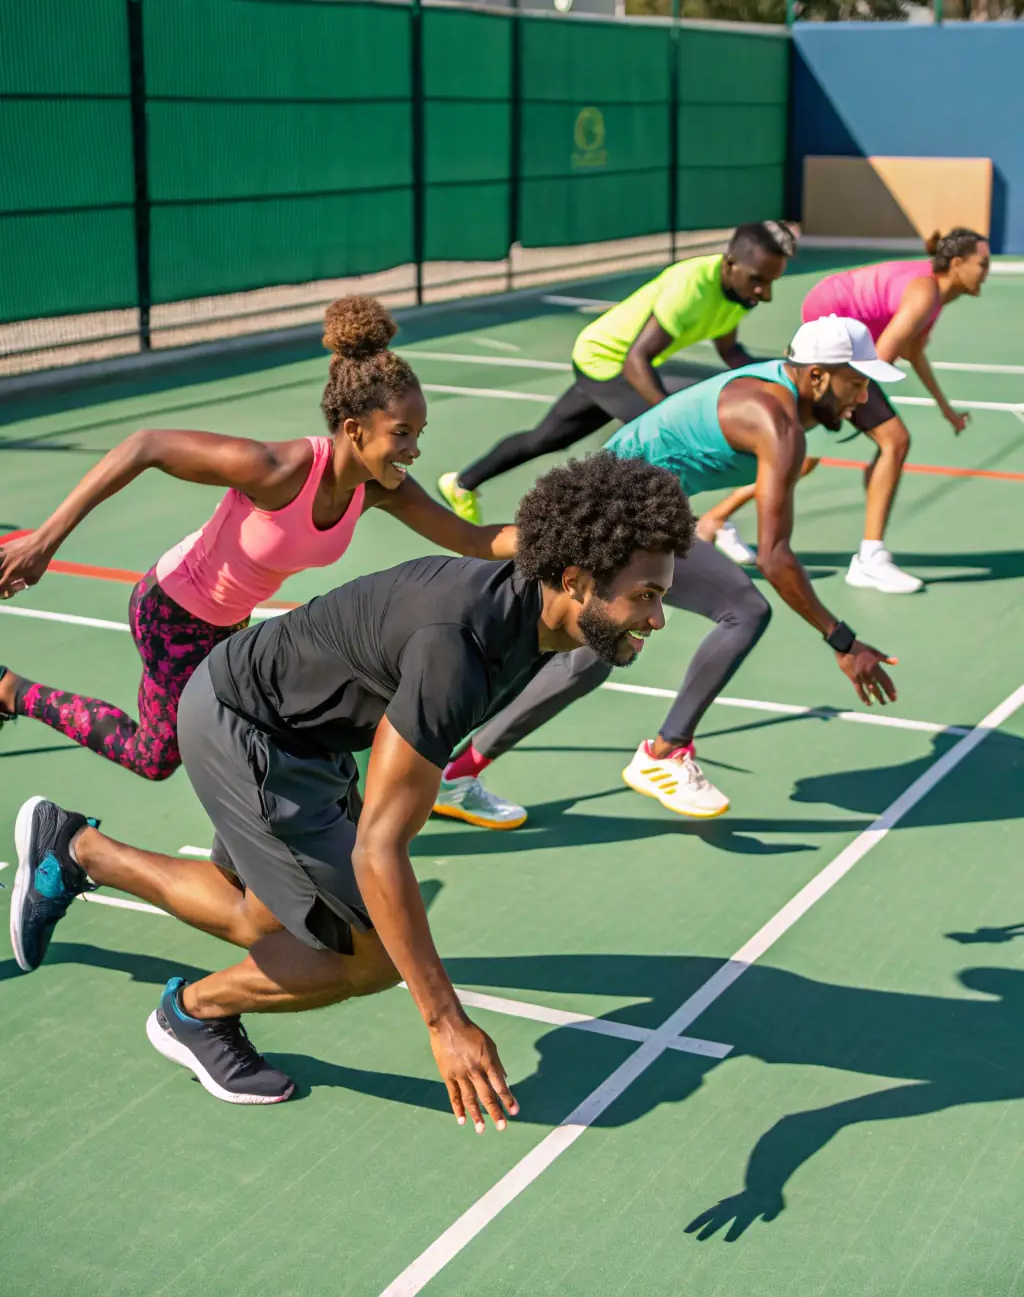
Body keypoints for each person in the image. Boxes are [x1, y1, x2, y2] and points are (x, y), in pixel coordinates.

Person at [8, 451, 694, 1117]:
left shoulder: (537, 598)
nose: (658, 618)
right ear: (575, 580)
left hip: (298, 732)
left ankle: (76, 850)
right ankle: (192, 1013)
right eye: (646, 597)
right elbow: (378, 849)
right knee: (367, 954)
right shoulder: (457, 648)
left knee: (262, 915)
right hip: (243, 722)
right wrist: (445, 1020)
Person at [0, 297, 519, 789]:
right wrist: (43, 541)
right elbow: (146, 446)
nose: (414, 450)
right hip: (171, 611)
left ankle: (293, 842)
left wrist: (564, 533)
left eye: (418, 433)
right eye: (402, 434)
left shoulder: (380, 491)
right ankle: (10, 691)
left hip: (231, 624)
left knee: (266, 729)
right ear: (356, 430)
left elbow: (472, 539)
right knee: (155, 758)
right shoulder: (278, 471)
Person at [435, 316, 902, 827]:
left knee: (585, 656)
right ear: (816, 376)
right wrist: (842, 640)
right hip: (626, 508)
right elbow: (775, 556)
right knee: (743, 608)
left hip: (620, 497)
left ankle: (455, 772)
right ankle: (665, 752)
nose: (863, 397)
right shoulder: (778, 424)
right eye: (856, 382)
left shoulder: (775, 390)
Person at [436, 222, 797, 554]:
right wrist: (673, 419)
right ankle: (657, 539)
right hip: (608, 363)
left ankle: (462, 482)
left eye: (770, 283)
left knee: (547, 439)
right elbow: (636, 359)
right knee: (663, 448)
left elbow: (729, 350)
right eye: (758, 280)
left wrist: (782, 374)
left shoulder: (739, 294)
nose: (764, 293)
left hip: (613, 361)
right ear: (731, 264)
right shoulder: (690, 288)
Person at [696, 229, 991, 592]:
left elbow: (912, 351)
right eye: (983, 263)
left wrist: (945, 408)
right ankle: (870, 558)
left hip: (835, 335)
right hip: (832, 337)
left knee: (805, 455)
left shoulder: (932, 299)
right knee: (894, 441)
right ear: (957, 264)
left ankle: (714, 520)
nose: (987, 272)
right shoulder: (925, 292)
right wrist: (853, 401)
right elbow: (882, 356)